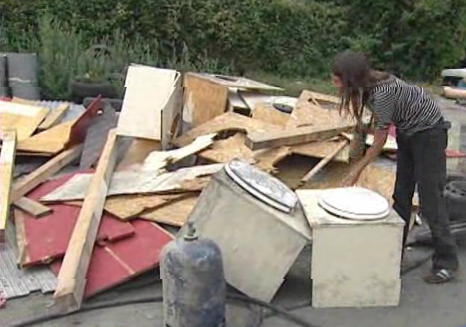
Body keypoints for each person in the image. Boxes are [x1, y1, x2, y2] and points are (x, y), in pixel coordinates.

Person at [333, 50, 459, 284]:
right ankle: (393, 257)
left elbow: (379, 141)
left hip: (429, 134)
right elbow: (363, 129)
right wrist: (353, 157)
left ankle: (447, 263)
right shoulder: (364, 88)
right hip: (408, 132)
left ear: (350, 76)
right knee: (401, 196)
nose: (333, 81)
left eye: (337, 76)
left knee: (431, 200)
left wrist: (356, 172)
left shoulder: (382, 94)